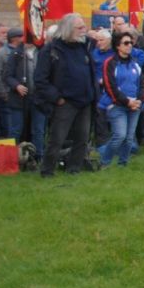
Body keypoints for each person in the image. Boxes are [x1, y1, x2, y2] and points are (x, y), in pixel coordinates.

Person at [34, 12, 97, 177]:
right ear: (68, 29)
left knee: (82, 138)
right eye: (79, 28)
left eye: (84, 27)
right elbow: (40, 79)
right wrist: (57, 98)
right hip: (65, 102)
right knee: (57, 138)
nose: (84, 30)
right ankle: (47, 170)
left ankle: (74, 168)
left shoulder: (83, 47)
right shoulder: (51, 50)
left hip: (85, 101)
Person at [97, 31, 144, 167]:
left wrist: (139, 100)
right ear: (118, 46)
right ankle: (105, 162)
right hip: (116, 105)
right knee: (119, 135)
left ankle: (123, 163)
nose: (129, 45)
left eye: (131, 43)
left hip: (135, 105)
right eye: (126, 43)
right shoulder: (110, 63)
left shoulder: (135, 64)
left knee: (129, 138)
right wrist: (127, 101)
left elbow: (142, 84)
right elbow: (110, 85)